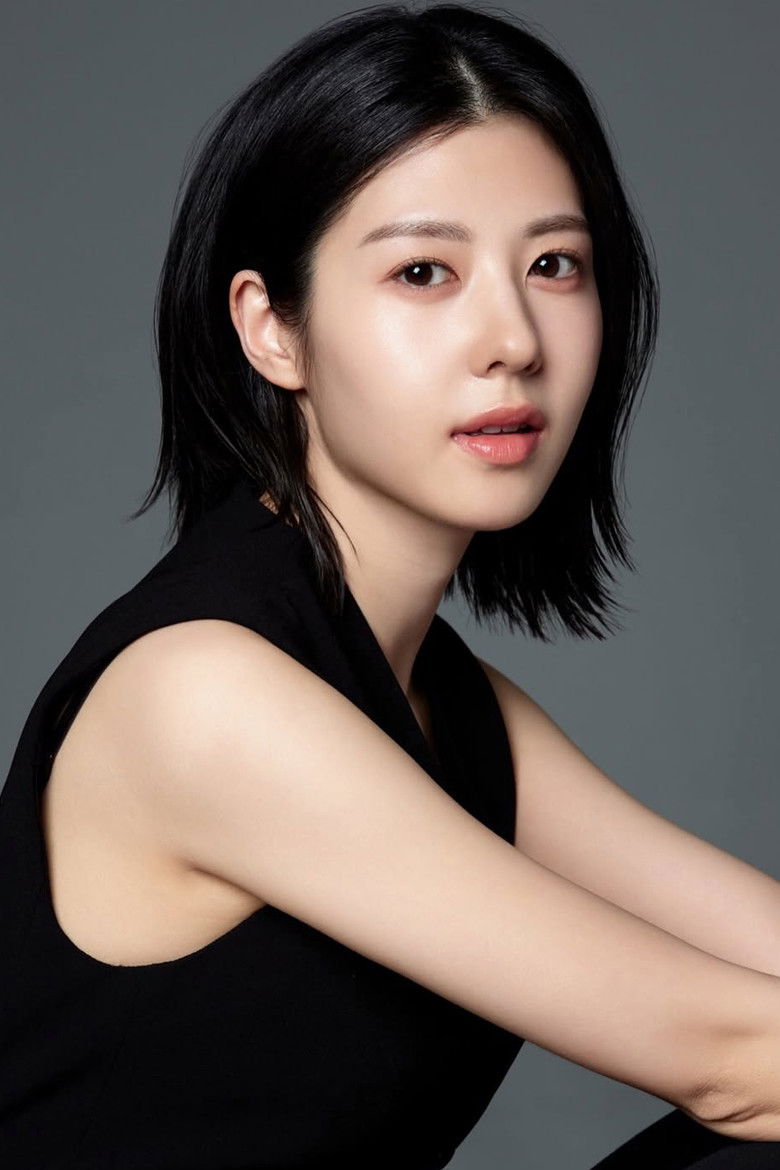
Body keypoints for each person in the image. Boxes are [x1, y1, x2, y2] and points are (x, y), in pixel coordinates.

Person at [2, 3, 780, 1167]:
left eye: (554, 266)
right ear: (273, 331)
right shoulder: (201, 695)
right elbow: (732, 1054)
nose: (513, 339)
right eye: (424, 271)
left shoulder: (450, 709)